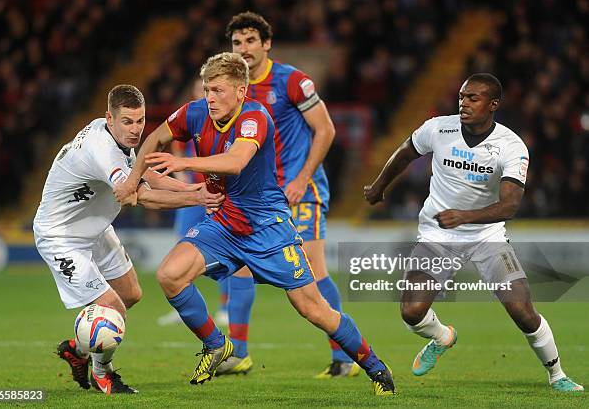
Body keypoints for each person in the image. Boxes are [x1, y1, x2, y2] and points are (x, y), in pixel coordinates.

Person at [114, 53, 395, 396]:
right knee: (169, 275)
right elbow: (156, 137)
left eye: (217, 90)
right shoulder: (195, 112)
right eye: (206, 89)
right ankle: (218, 345)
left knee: (313, 308)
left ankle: (375, 366)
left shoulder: (255, 116)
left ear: (241, 90)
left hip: (268, 227)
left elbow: (237, 161)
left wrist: (182, 160)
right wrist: (133, 179)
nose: (210, 97)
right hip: (224, 222)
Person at [363, 73, 584, 392]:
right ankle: (442, 337)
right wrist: (379, 187)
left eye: (473, 98)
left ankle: (557, 374)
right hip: (438, 235)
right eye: (462, 97)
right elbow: (406, 152)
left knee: (522, 311)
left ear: (493, 105)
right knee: (411, 312)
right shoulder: (439, 128)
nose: (464, 104)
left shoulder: (510, 146)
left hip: (487, 238)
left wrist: (465, 216)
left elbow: (509, 205)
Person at [33, 84, 224, 395]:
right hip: (61, 237)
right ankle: (103, 375)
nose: (135, 130)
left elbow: (145, 175)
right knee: (111, 307)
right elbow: (139, 195)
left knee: (131, 295)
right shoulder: (101, 149)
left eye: (140, 121)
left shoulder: (117, 138)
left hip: (95, 228)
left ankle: (78, 352)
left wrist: (193, 190)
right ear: (110, 118)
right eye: (127, 122)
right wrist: (198, 200)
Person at [214, 11, 356, 379]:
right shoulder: (234, 89)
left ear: (266, 44)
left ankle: (344, 357)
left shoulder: (292, 81)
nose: (243, 49)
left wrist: (301, 178)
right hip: (258, 195)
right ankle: (239, 353)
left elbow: (325, 130)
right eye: (236, 42)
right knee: (240, 263)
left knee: (311, 264)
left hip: (300, 189)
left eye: (250, 41)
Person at [158, 79, 230, 327]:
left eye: (210, 91)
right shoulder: (190, 118)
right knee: (183, 247)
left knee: (224, 251)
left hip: (218, 196)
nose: (206, 95)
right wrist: (183, 180)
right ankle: (183, 305)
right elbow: (176, 150)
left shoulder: (226, 121)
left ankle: (225, 307)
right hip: (192, 196)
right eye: (202, 90)